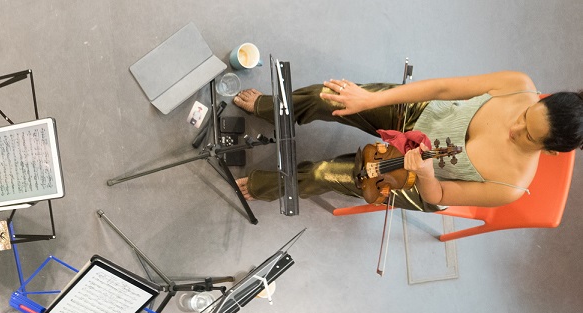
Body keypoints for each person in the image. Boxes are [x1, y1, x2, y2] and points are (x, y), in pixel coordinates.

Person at [233, 71, 583, 211]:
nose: (514, 128)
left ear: (550, 150)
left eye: (527, 136)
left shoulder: (510, 187)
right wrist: (369, 100)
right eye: (525, 116)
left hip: (421, 178)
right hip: (421, 113)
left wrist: (428, 174)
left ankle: (266, 186)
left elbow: (442, 196)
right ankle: (268, 107)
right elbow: (441, 89)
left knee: (323, 173)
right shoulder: (518, 85)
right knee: (330, 97)